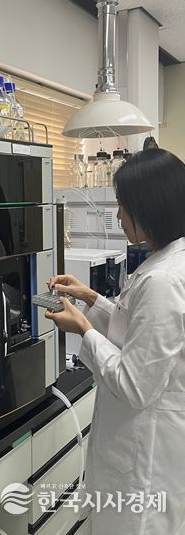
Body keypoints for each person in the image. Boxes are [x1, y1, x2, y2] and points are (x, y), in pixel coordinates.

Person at [46, 148, 185, 534]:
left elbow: (135, 385)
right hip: (152, 448)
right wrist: (91, 299)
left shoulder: (163, 280)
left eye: (124, 206)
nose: (119, 216)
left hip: (146, 461)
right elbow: (139, 332)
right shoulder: (169, 260)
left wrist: (84, 331)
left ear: (150, 208)